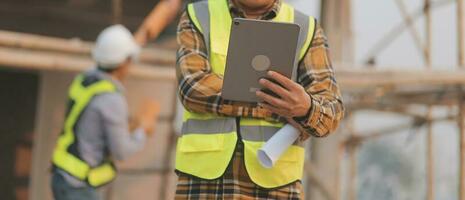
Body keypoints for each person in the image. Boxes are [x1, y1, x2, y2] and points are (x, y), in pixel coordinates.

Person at [174, 0, 344, 199]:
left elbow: (330, 112)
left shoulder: (307, 28)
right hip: (202, 183)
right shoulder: (199, 14)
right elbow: (193, 88)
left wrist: (306, 108)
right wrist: (282, 108)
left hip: (275, 185)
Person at [50, 25, 158, 200]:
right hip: (79, 186)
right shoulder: (112, 99)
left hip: (62, 174)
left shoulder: (86, 78)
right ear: (123, 62)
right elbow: (121, 151)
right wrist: (142, 131)